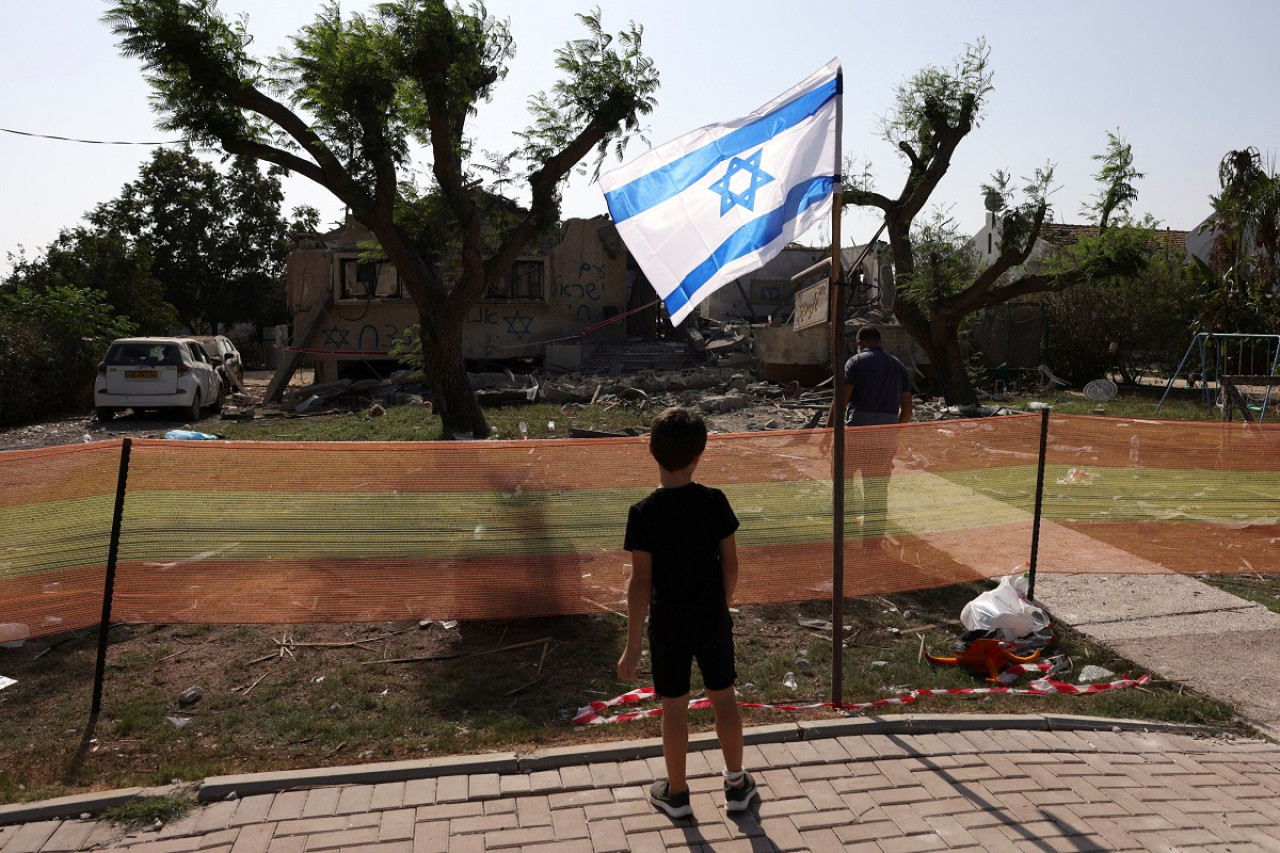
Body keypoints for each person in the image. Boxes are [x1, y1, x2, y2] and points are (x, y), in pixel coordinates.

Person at [617, 407, 758, 817]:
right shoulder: (715, 502)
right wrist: (721, 605)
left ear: (650, 450)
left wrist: (631, 648)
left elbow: (640, 582)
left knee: (674, 708)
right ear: (700, 454)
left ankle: (676, 793)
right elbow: (730, 564)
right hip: (711, 618)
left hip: (668, 625)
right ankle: (736, 784)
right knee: (724, 699)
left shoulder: (642, 513)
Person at [827, 325, 913, 540]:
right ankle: (873, 543)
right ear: (879, 341)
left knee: (843, 485)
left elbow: (841, 401)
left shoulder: (855, 362)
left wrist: (828, 434)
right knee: (876, 491)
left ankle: (845, 536)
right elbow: (908, 410)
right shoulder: (899, 366)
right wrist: (893, 431)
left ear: (861, 344)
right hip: (884, 439)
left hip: (856, 436)